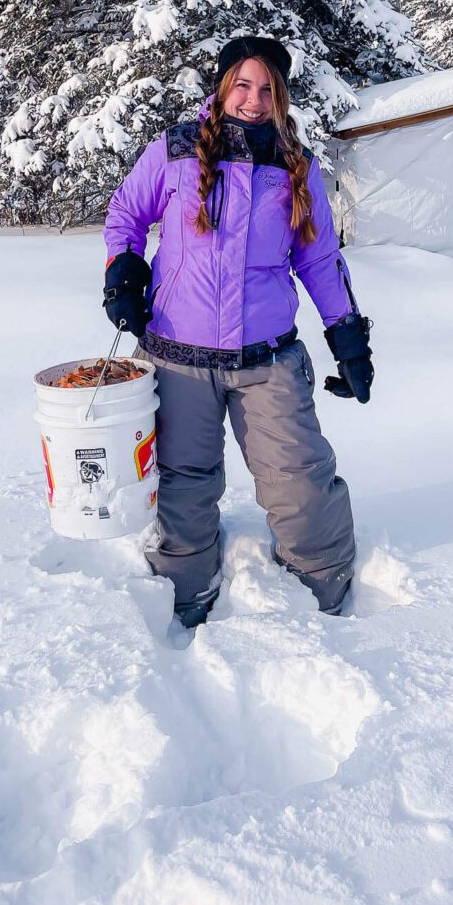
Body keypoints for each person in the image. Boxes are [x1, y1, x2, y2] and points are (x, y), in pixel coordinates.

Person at [101, 35, 375, 628]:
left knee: (299, 481)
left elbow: (320, 260)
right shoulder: (174, 149)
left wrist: (347, 338)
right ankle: (183, 587)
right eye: (243, 85)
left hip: (267, 359)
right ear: (223, 85)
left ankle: (324, 587)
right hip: (177, 356)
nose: (253, 100)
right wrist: (122, 270)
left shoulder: (295, 165)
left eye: (267, 88)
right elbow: (126, 215)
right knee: (182, 482)